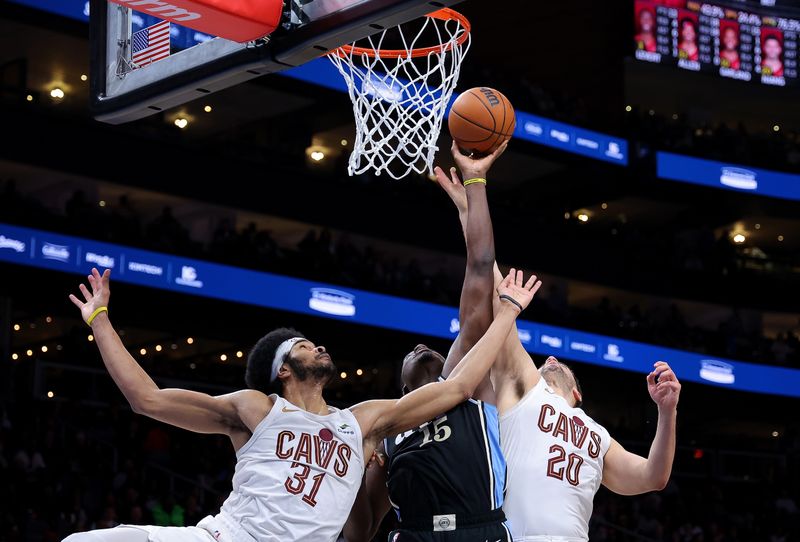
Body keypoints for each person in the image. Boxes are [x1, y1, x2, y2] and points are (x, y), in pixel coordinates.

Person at [62, 261, 540, 542]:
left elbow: (455, 389)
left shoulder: (362, 422)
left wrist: (507, 314)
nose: (319, 346)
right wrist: (99, 318)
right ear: (283, 371)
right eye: (305, 345)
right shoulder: (257, 410)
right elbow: (147, 399)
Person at [438, 186, 681, 542]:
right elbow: (488, 286)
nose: (548, 360)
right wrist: (469, 212)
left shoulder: (598, 435)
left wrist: (667, 411)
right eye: (541, 363)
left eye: (556, 363)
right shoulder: (524, 388)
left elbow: (652, 476)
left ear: (577, 394)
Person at [344, 140, 525, 542]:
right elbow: (359, 532)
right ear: (404, 389)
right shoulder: (387, 428)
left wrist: (475, 183)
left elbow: (480, 268)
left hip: (480, 530)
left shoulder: (465, 383)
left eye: (432, 350)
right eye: (410, 353)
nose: (420, 347)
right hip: (414, 534)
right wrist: (355, 467)